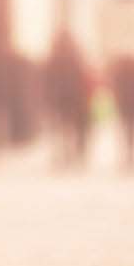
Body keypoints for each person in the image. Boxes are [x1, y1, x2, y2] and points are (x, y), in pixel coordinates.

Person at [41, 31, 92, 168]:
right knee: (69, 128)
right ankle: (67, 154)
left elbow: (47, 79)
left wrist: (48, 95)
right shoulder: (75, 58)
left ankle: (62, 154)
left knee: (61, 128)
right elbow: (81, 79)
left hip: (61, 98)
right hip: (71, 98)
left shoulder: (54, 58)